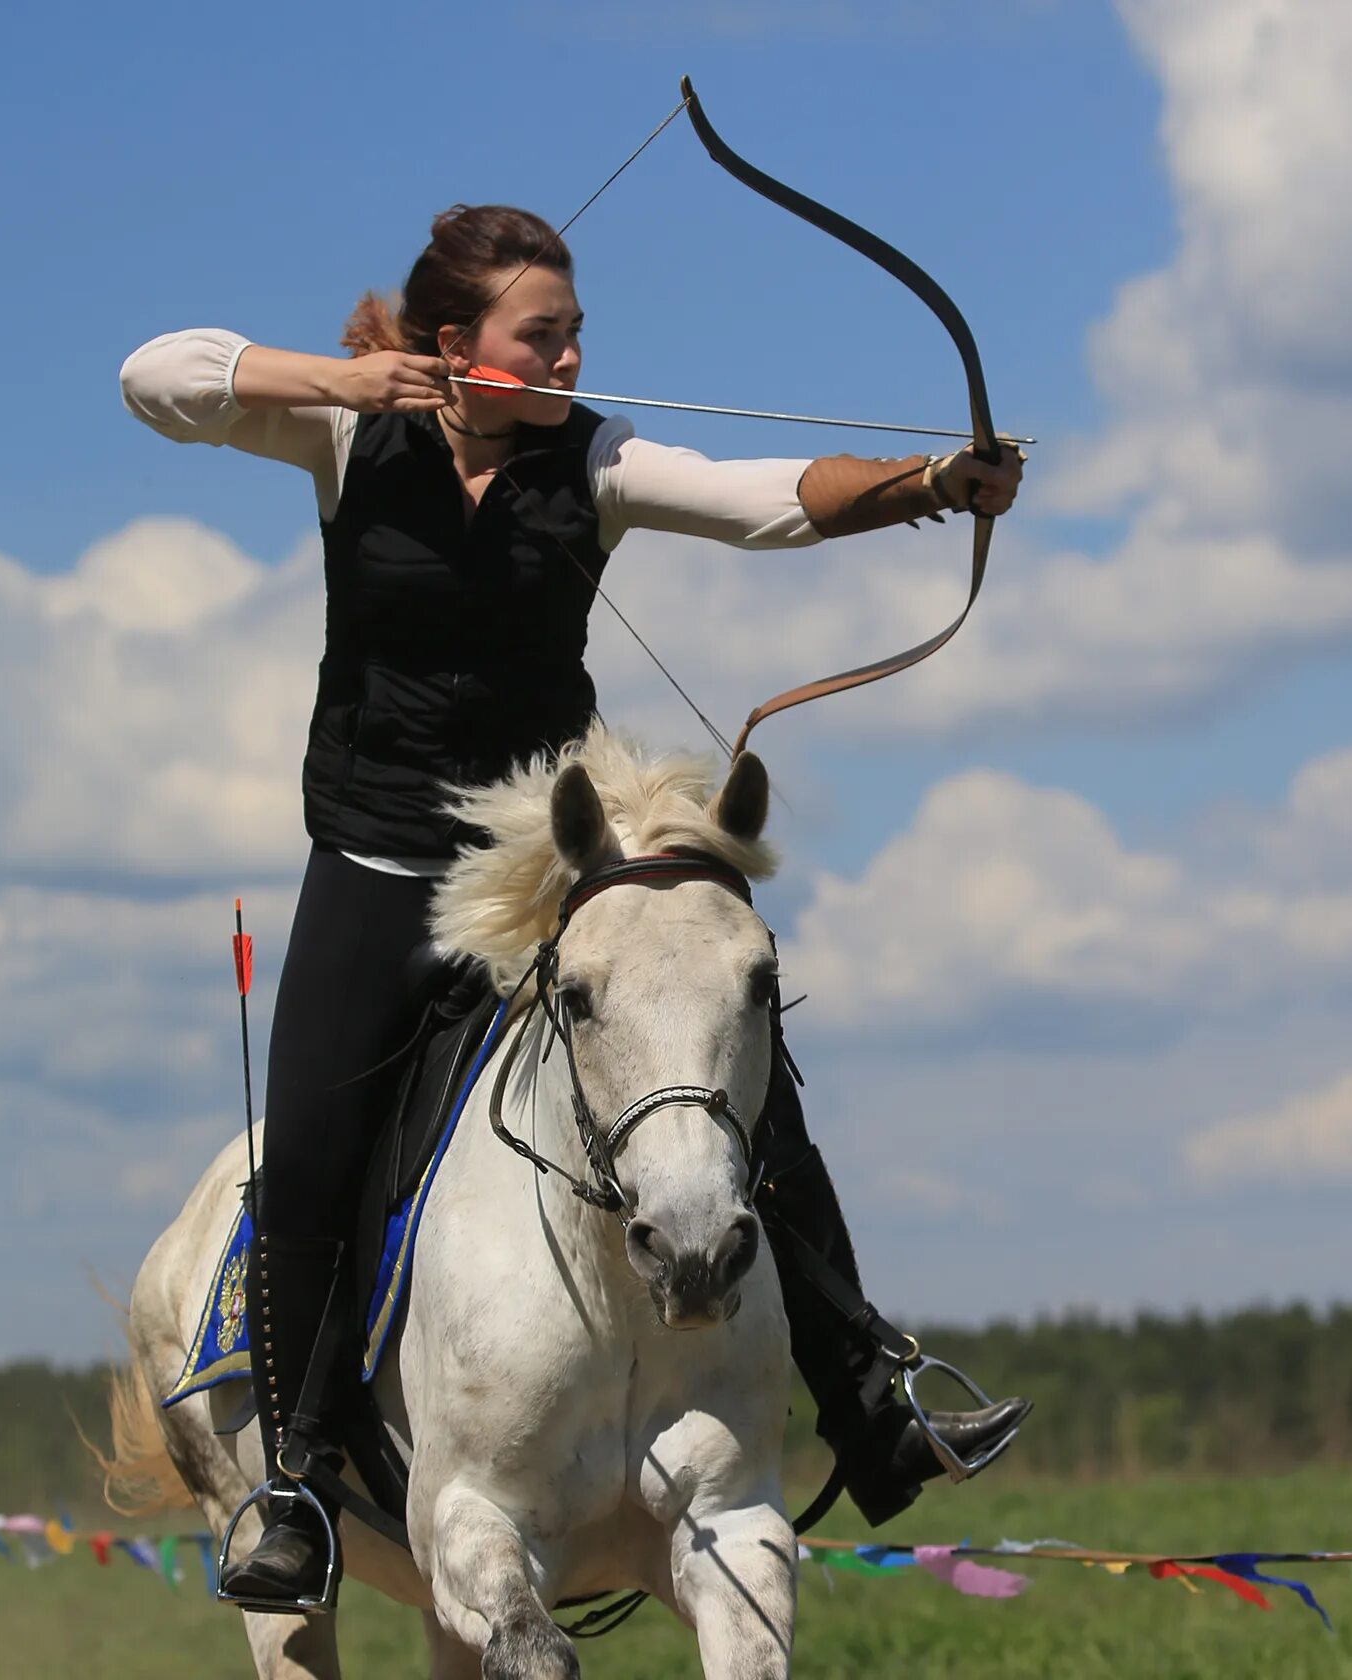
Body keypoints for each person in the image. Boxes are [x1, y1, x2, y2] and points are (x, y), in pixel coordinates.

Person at [120, 204, 1028, 1609]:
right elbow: (157, 377)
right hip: (377, 865)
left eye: (572, 327)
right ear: (451, 346)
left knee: (723, 1073)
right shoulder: (353, 438)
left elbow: (759, 496)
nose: (571, 350)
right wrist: (340, 381)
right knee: (306, 1153)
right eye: (542, 332)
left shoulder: (590, 453)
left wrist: (929, 484)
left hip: (544, 869)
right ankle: (297, 1481)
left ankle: (870, 1392)